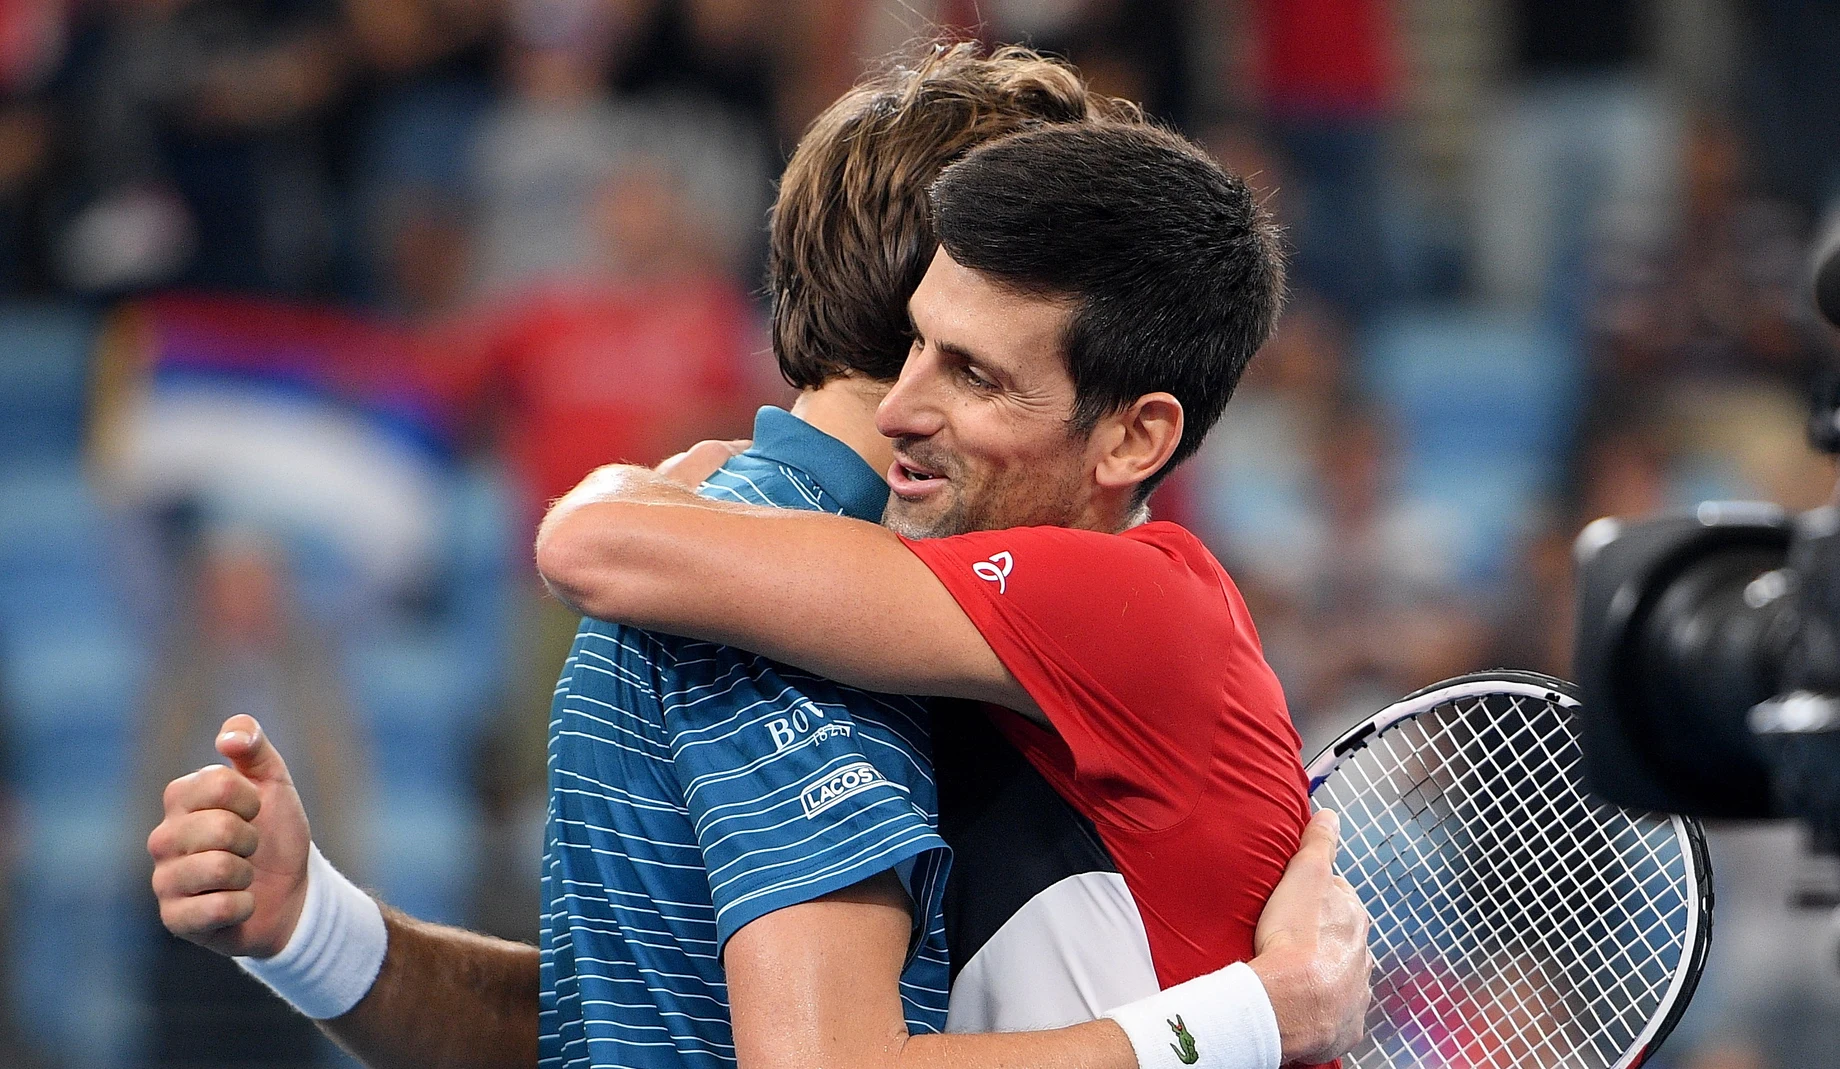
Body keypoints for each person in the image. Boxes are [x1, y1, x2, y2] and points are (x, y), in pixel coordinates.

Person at [148, 43, 1370, 1069]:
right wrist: (1246, 1017)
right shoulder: (788, 604)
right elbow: (692, 1035)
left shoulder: (773, 569)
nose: (917, 404)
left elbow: (657, 1027)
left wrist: (322, 936)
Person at [537, 118, 1351, 1060]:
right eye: (915, 344)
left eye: (974, 376)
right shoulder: (992, 658)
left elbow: (592, 545)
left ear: (1134, 439)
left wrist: (635, 484)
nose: (898, 408)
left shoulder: (1136, 604)